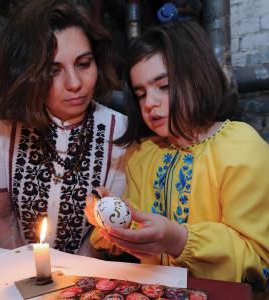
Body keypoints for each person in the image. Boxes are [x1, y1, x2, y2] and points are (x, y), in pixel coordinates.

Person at [85, 21, 269, 290]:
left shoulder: (242, 147)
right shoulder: (143, 154)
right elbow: (135, 239)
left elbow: (260, 264)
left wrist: (180, 240)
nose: (150, 103)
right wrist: (111, 220)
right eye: (141, 93)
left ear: (198, 77)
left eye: (164, 85)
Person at [0, 0, 127, 255]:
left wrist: (71, 284)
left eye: (83, 64)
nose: (75, 83)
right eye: (53, 71)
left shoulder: (119, 131)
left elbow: (104, 236)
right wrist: (30, 280)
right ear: (25, 75)